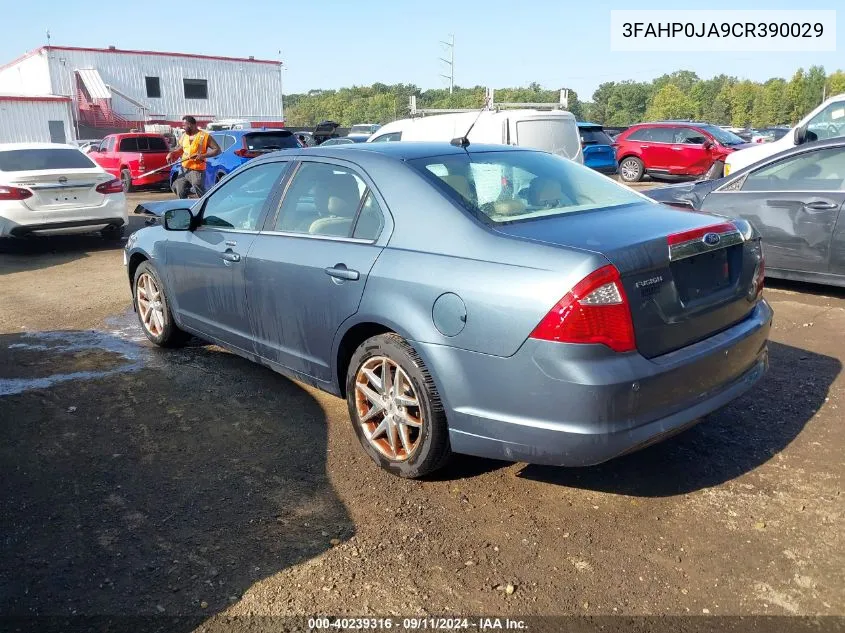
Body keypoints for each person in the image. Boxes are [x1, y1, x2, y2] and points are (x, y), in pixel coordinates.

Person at [167, 115, 221, 199]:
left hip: (197, 170)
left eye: (184, 125)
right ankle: (184, 206)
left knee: (198, 188)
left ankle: (204, 204)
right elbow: (181, 149)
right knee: (179, 188)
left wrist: (203, 156)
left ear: (191, 125)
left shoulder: (204, 136)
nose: (183, 127)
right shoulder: (184, 135)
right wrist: (172, 153)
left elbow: (217, 150)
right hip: (184, 168)